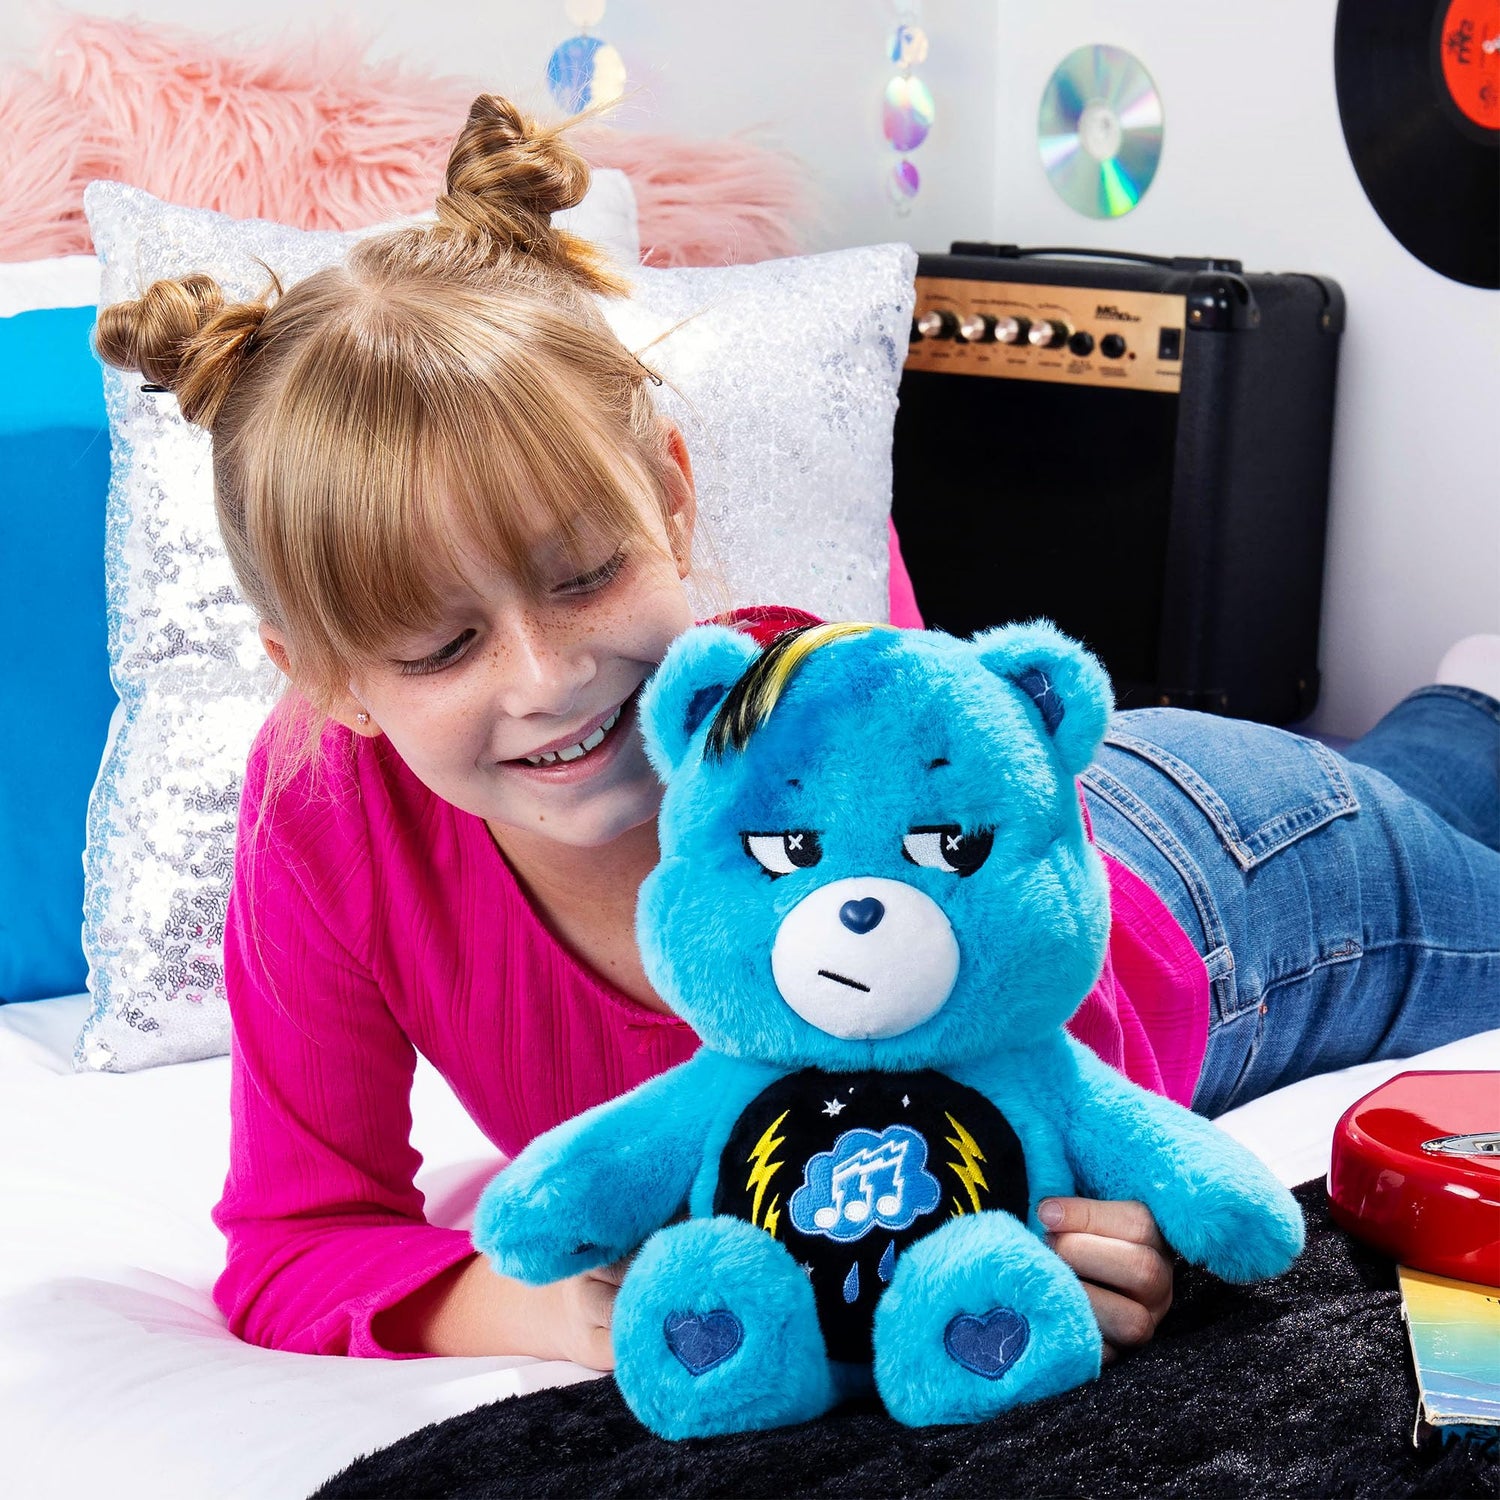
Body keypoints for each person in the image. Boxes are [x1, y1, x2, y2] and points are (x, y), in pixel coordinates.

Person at [95, 94, 1500, 1379]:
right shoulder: (327, 822)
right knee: (1440, 764)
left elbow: (1062, 1094)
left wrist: (1119, 1242)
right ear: (325, 676)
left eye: (583, 575)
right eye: (441, 646)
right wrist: (538, 1310)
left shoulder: (794, 700)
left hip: (1222, 888)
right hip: (1141, 805)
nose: (547, 677)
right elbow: (297, 1238)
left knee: (1453, 854)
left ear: (672, 498)